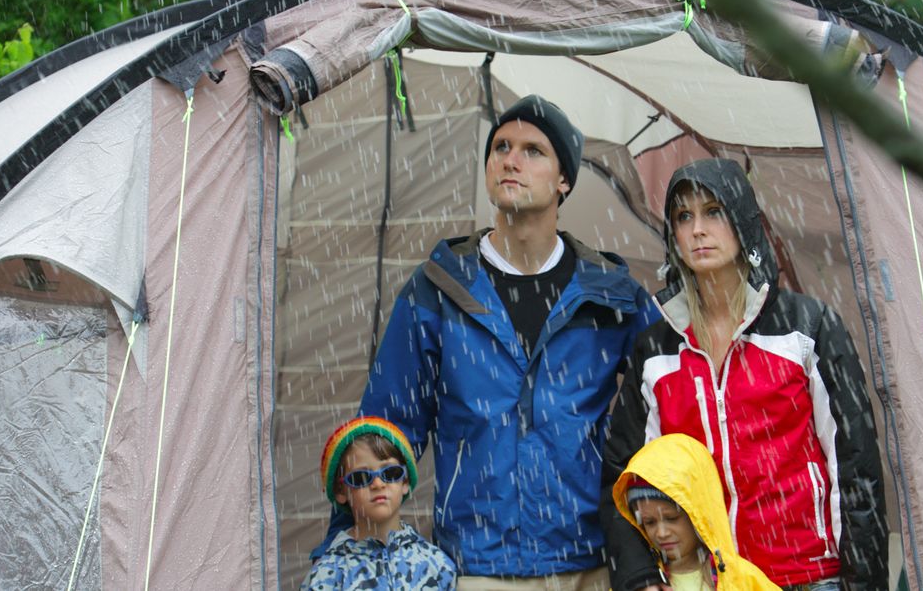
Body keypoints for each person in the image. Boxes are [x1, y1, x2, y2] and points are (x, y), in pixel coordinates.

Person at [320, 95, 661, 589]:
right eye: (500, 146)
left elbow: (671, 407)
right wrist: (348, 551)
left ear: (564, 179)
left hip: (593, 558)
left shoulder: (612, 294)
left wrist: (660, 541)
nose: (510, 159)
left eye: (532, 150)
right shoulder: (439, 289)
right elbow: (383, 435)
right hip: (479, 566)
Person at [600, 158, 887, 591]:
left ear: (743, 220)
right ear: (672, 236)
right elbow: (623, 477)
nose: (697, 229)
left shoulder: (806, 328)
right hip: (712, 582)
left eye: (713, 211)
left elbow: (855, 464)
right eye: (684, 216)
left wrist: (863, 582)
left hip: (810, 578)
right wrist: (640, 576)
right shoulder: (657, 351)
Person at [303, 416, 457, 590]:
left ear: (405, 481)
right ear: (341, 491)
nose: (378, 484)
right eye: (360, 477)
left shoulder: (436, 565)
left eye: (391, 473)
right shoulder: (327, 574)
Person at [610, 433, 779, 591]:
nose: (661, 533)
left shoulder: (742, 579)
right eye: (649, 522)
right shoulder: (640, 583)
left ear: (698, 513)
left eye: (671, 518)